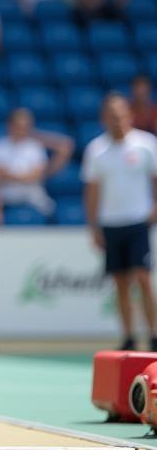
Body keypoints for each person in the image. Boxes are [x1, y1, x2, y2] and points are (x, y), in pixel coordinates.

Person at [82, 93, 157, 352]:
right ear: (104, 118)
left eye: (121, 115)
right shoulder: (96, 150)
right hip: (111, 223)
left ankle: (154, 333)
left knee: (144, 278)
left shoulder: (146, 144)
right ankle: (129, 336)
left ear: (130, 115)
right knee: (121, 283)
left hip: (138, 221)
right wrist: (94, 226)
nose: (117, 120)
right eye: (112, 116)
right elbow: (92, 192)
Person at [0, 108, 73, 218]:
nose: (22, 129)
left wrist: (8, 175)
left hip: (32, 197)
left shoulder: (35, 147)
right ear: (10, 125)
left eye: (26, 126)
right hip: (5, 197)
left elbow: (36, 176)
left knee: (52, 211)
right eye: (19, 125)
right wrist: (23, 177)